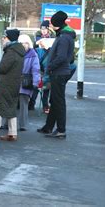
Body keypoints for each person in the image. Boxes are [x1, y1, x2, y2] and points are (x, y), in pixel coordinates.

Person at [37, 11, 76, 139]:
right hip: (60, 72)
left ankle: (61, 130)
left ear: (57, 24)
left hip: (59, 73)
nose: (50, 26)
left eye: (52, 23)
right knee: (55, 100)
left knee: (58, 102)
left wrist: (49, 67)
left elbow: (61, 57)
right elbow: (61, 55)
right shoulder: (64, 35)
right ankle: (48, 127)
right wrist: (48, 50)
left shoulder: (64, 37)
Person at [30, 20, 55, 111]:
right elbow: (33, 50)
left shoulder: (53, 38)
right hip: (39, 65)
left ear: (48, 29)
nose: (43, 31)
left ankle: (45, 105)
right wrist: (36, 44)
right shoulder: (37, 38)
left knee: (47, 87)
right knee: (36, 86)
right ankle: (31, 103)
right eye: (42, 29)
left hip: (48, 66)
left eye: (45, 29)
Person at [17, 35, 40, 132]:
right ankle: (7, 123)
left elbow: (36, 69)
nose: (23, 45)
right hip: (16, 81)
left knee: (23, 104)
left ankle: (22, 124)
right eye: (21, 43)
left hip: (26, 82)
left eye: (25, 43)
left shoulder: (33, 54)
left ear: (29, 43)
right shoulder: (16, 53)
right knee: (11, 103)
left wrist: (35, 82)